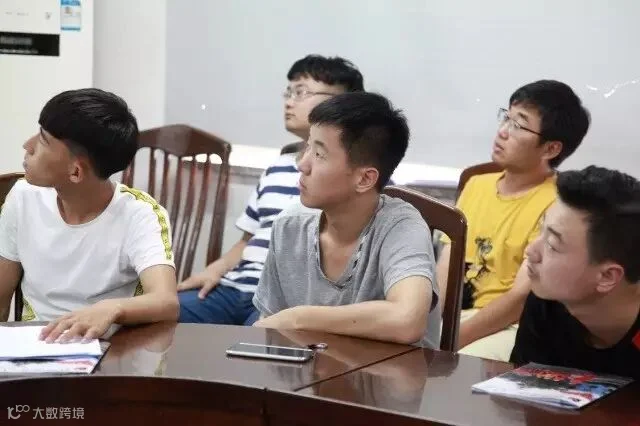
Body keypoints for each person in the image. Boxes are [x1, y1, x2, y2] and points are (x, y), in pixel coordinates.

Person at [177, 55, 364, 324]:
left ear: (341, 103)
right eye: (288, 92)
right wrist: (213, 270)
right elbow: (247, 240)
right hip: (234, 288)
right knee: (161, 315)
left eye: (301, 92)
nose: (289, 102)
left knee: (258, 339)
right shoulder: (277, 168)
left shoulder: (350, 176)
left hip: (284, 297)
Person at [253, 92, 440, 348]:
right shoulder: (290, 226)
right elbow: (268, 328)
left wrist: (300, 318)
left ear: (364, 179)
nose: (302, 164)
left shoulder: (401, 226)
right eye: (307, 147)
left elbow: (407, 320)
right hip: (309, 372)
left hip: (389, 372)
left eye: (319, 154)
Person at [0, 88, 178, 342]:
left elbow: (166, 301)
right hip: (36, 343)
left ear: (75, 172)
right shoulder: (23, 197)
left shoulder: (140, 214)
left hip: (110, 348)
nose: (28, 145)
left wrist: (113, 308)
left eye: (43, 140)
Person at [436, 80, 590, 360]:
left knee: (455, 365)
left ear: (551, 149)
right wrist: (429, 322)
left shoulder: (557, 204)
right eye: (505, 117)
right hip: (456, 317)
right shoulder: (476, 184)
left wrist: (450, 339)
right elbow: (447, 265)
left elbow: (520, 299)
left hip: (508, 326)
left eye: (518, 125)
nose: (503, 131)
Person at [510, 166, 640, 380]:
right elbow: (523, 392)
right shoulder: (546, 304)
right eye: (541, 231)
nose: (531, 251)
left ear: (607, 276)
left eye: (552, 245)